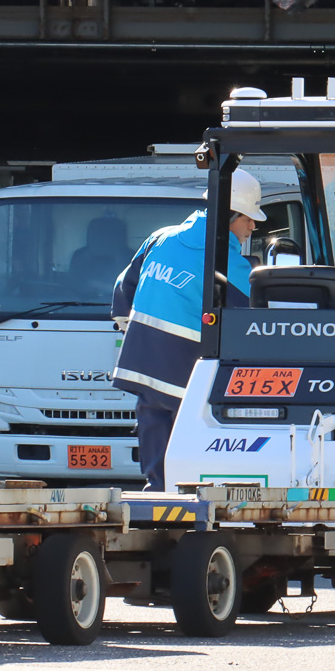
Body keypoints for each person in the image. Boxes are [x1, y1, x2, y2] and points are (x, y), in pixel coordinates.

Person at [109, 168, 266, 491]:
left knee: (154, 423)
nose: (252, 226)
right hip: (187, 368)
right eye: (248, 218)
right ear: (230, 215)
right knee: (195, 437)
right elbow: (255, 321)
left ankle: (158, 490)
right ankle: (187, 495)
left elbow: (123, 290)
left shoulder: (161, 238)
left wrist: (136, 337)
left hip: (142, 360)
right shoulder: (226, 260)